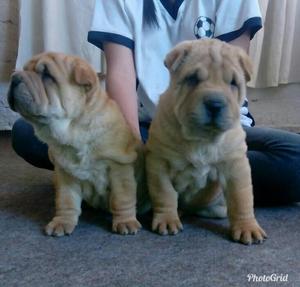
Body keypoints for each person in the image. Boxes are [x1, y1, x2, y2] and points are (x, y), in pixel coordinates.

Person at [12, 0, 300, 205]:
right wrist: (134, 153)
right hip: (147, 130)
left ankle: (180, 185)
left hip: (217, 134)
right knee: (27, 133)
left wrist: (212, 156)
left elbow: (232, 74)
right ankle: (187, 188)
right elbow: (120, 73)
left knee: (295, 159)